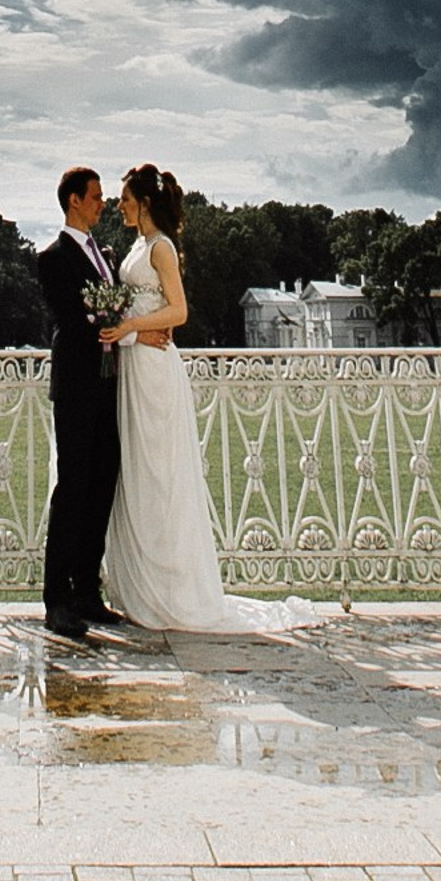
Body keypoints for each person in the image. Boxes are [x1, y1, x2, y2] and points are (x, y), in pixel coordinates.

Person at [98, 160, 327, 634]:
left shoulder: (160, 247)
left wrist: (129, 327)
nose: (117, 206)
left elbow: (178, 311)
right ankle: (141, 586)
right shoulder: (136, 245)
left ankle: (173, 591)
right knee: (138, 476)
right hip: (133, 365)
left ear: (143, 202)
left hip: (155, 370)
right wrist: (126, 329)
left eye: (123, 198)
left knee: (160, 475)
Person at [35, 165, 124, 638]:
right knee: (71, 489)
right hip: (75, 386)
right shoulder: (52, 258)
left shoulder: (107, 254)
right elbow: (72, 316)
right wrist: (103, 320)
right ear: (73, 201)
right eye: (95, 196)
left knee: (102, 484)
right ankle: (57, 600)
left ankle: (88, 590)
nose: (102, 203)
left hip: (110, 385)